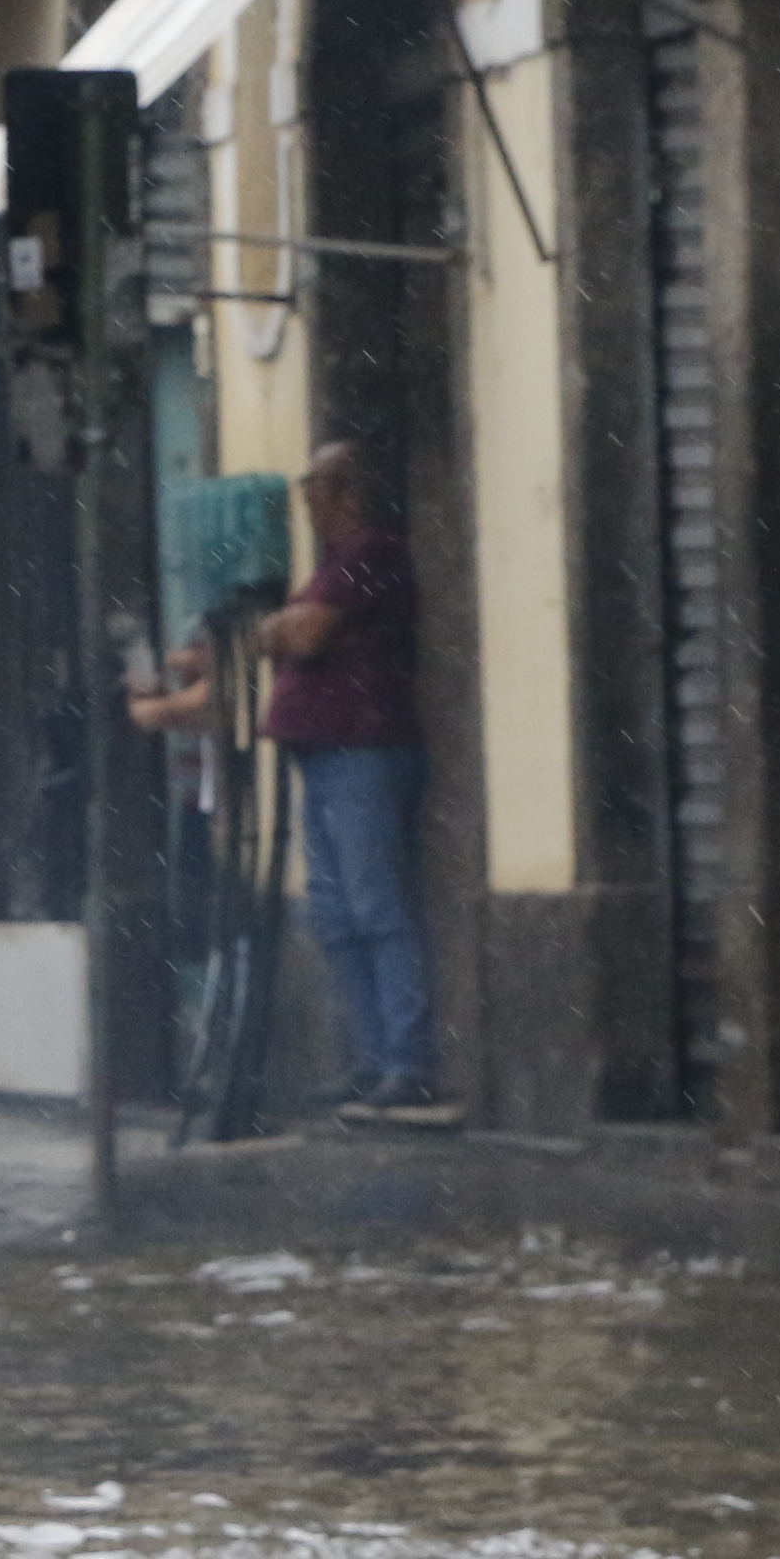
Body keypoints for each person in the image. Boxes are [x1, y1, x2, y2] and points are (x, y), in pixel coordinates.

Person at [260, 440, 439, 1122]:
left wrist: (294, 631)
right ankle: (370, 1059)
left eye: (317, 486)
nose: (308, 499)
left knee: (377, 909)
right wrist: (290, 628)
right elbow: (284, 632)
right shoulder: (330, 568)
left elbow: (301, 638)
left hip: (366, 750)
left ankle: (407, 1061)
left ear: (350, 491)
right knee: (334, 916)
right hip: (325, 754)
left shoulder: (373, 554)